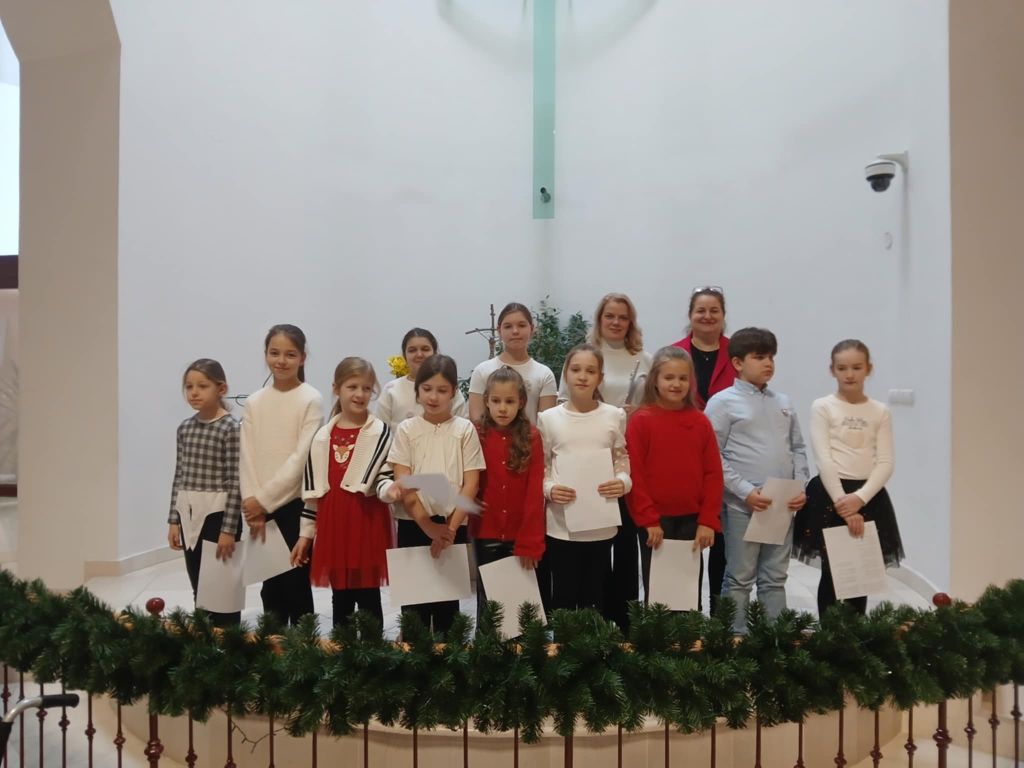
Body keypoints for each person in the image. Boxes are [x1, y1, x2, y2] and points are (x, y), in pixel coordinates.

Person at [705, 328, 808, 634]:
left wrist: (801, 486)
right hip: (743, 505)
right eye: (759, 357)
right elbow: (712, 456)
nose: (768, 363)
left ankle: (775, 637)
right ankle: (734, 638)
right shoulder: (722, 402)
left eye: (771, 357)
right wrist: (746, 492)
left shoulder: (783, 401)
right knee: (739, 577)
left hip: (781, 503)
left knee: (775, 576)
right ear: (737, 363)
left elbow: (798, 448)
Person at [559, 293, 652, 631]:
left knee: (625, 541)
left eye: (623, 317)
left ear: (631, 322)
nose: (616, 322)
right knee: (594, 543)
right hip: (587, 457)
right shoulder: (583, 355)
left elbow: (656, 404)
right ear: (599, 319)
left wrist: (637, 412)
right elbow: (563, 401)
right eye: (609, 315)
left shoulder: (644, 359)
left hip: (626, 456)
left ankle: (624, 620)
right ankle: (592, 617)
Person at [793, 339, 903, 616]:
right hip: (830, 495)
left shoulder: (880, 411)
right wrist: (843, 503)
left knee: (859, 573)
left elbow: (886, 462)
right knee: (833, 571)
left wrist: (860, 499)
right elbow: (824, 458)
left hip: (868, 497)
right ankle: (829, 635)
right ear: (832, 370)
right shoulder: (823, 406)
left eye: (856, 367)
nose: (850, 374)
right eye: (842, 368)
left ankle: (855, 634)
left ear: (868, 369)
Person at [291, 357, 397, 627]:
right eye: (352, 387)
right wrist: (305, 535)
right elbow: (313, 495)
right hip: (335, 528)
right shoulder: (322, 437)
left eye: (366, 388)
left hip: (367, 525)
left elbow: (384, 479)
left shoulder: (381, 433)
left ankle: (373, 648)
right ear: (336, 388)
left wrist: (392, 490)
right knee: (341, 597)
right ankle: (343, 646)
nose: (360, 394)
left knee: (369, 594)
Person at [387, 354, 485, 635]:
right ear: (417, 390)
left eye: (442, 390)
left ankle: (447, 661)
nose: (433, 396)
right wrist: (428, 526)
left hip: (452, 525)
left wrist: (449, 530)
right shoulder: (407, 430)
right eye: (427, 389)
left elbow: (471, 483)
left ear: (453, 392)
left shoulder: (464, 429)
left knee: (447, 611)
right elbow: (404, 482)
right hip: (413, 524)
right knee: (414, 611)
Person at [626, 346, 723, 608]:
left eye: (683, 378)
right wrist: (648, 519)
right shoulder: (641, 421)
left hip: (692, 520)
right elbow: (635, 474)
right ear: (655, 380)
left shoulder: (700, 422)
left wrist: (708, 520)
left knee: (688, 593)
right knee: (659, 594)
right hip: (655, 522)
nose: (676, 384)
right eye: (669, 377)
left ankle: (690, 634)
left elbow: (713, 473)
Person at [538, 344, 630, 616]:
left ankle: (596, 639)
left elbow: (621, 458)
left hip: (601, 523)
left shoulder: (614, 416)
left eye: (591, 371)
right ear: (565, 374)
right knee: (564, 593)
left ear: (600, 378)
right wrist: (549, 488)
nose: (582, 376)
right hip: (561, 525)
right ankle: (565, 641)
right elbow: (542, 465)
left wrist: (623, 481)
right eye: (576, 369)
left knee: (596, 594)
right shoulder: (549, 419)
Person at [240, 324, 323, 626]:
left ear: (302, 358)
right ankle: (273, 645)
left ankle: (303, 647)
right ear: (265, 355)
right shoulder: (254, 401)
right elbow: (247, 456)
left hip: (294, 505)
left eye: (290, 354)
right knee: (270, 586)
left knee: (296, 581)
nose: (281, 360)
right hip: (259, 508)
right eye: (274, 353)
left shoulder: (310, 399)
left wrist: (262, 500)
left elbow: (302, 458)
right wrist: (252, 503)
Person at [672, 286, 735, 614]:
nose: (707, 316)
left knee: (723, 542)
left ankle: (721, 617)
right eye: (701, 310)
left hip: (730, 460)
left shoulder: (738, 352)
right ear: (690, 315)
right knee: (685, 542)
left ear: (723, 315)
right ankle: (686, 617)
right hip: (684, 458)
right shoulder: (674, 354)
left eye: (714, 310)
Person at [167, 359, 242, 626]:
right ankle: (205, 637)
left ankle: (228, 639)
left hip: (218, 516)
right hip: (189, 515)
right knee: (199, 584)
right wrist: (173, 520)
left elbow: (236, 481)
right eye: (189, 387)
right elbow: (179, 474)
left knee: (223, 588)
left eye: (202, 386)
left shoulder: (231, 428)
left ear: (221, 389)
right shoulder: (185, 428)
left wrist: (228, 529)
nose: (194, 392)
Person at [473, 367, 545, 627]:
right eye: (496, 401)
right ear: (486, 401)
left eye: (510, 401)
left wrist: (530, 541)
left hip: (519, 535)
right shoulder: (476, 434)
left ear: (521, 402)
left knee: (520, 608)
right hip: (485, 531)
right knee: (489, 606)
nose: (502, 408)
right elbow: (463, 479)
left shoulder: (532, 436)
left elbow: (535, 493)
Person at [468, 302, 557, 425]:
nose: (515, 331)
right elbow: (477, 421)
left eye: (521, 325)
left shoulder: (544, 374)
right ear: (499, 330)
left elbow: (546, 425)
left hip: (529, 437)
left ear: (532, 329)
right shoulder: (482, 371)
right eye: (508, 326)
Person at [376, 327, 468, 429]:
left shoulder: (449, 389)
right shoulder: (391, 389)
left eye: (425, 349)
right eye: (412, 350)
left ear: (434, 352)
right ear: (404, 355)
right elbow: (379, 432)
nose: (419, 355)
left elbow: (463, 428)